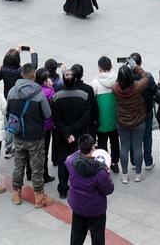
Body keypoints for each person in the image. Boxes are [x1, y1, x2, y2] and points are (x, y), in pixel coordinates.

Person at [7, 62, 52, 206]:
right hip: (36, 135)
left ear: (21, 74)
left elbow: (9, 111)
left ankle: (16, 194)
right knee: (37, 166)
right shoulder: (39, 94)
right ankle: (39, 197)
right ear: (33, 75)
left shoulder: (12, 92)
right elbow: (47, 114)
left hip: (19, 134)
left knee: (18, 165)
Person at [51, 67, 93, 199]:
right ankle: (79, 187)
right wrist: (74, 132)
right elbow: (85, 118)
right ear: (75, 80)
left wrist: (67, 133)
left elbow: (56, 119)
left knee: (63, 162)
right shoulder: (84, 96)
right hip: (79, 136)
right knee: (79, 161)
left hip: (63, 137)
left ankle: (63, 189)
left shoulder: (56, 97)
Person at [66, 133, 115, 245]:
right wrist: (108, 173)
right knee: (98, 237)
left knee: (76, 237)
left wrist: (80, 151)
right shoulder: (101, 172)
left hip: (78, 207)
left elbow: (69, 158)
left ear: (79, 148)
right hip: (95, 210)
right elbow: (108, 190)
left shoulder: (71, 162)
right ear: (93, 147)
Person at [112, 62, 149, 184]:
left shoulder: (115, 88)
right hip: (138, 121)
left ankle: (125, 175)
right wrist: (135, 67)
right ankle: (138, 174)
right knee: (138, 147)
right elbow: (146, 76)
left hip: (122, 122)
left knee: (124, 147)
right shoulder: (137, 87)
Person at [92, 57, 119, 173]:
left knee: (102, 143)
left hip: (101, 120)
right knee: (115, 142)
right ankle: (115, 163)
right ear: (111, 66)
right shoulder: (117, 80)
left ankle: (104, 164)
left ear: (99, 68)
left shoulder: (95, 83)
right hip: (115, 119)